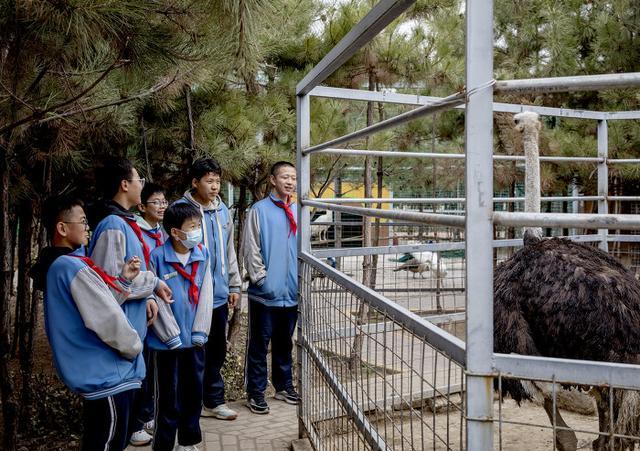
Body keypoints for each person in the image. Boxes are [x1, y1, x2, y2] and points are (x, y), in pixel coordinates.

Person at [31, 196, 143, 451]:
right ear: (62, 228)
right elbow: (106, 318)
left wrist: (123, 281)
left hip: (100, 374)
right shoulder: (71, 267)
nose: (87, 227)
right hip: (107, 375)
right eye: (82, 221)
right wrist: (134, 348)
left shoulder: (61, 265)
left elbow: (95, 305)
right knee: (107, 443)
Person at [89, 158, 173, 446]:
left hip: (129, 338)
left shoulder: (123, 222)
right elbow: (110, 286)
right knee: (111, 434)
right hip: (117, 344)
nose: (141, 185)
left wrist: (147, 294)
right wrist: (152, 282)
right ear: (124, 185)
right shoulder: (113, 224)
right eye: (138, 180)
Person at [177, 158, 241, 420]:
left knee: (217, 348)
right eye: (209, 181)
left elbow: (229, 251)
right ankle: (188, 404)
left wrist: (234, 284)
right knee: (193, 350)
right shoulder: (180, 210)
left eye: (217, 181)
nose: (215, 186)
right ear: (195, 182)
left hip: (218, 294)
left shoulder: (222, 211)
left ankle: (213, 400)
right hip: (191, 296)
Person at [146, 202, 214, 451]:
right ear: (175, 232)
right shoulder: (157, 257)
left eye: (198, 226)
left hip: (195, 340)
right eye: (192, 227)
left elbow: (206, 292)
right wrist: (170, 335)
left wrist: (200, 331)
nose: (197, 231)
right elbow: (156, 299)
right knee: (168, 397)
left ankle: (188, 442)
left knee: (193, 393)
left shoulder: (203, 254)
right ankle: (164, 444)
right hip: (167, 344)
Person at [242, 161, 300, 414]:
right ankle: (255, 392)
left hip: (292, 293)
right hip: (266, 294)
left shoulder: (299, 209)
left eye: (293, 178)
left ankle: (283, 386)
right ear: (272, 180)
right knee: (259, 343)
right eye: (285, 177)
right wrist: (262, 280)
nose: (290, 182)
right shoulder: (259, 210)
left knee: (284, 342)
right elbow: (250, 247)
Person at [130, 182, 169, 439]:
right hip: (141, 305)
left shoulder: (163, 232)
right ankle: (136, 421)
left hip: (162, 306)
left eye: (164, 201)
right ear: (142, 206)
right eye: (156, 202)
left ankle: (150, 414)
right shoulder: (134, 232)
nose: (162, 206)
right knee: (140, 363)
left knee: (156, 364)